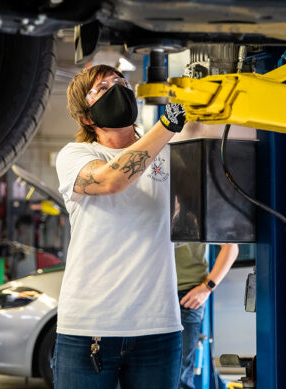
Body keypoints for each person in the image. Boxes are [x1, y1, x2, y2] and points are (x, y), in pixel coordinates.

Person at [54, 64, 189, 389]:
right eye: (102, 88)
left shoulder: (169, 153)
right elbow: (112, 180)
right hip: (89, 326)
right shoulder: (77, 154)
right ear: (87, 117)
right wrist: (168, 126)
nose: (117, 90)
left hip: (157, 326)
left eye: (121, 82)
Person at [175, 242, 238, 389]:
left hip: (186, 294)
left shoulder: (199, 217)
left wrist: (207, 287)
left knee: (181, 376)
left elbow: (230, 245)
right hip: (147, 292)